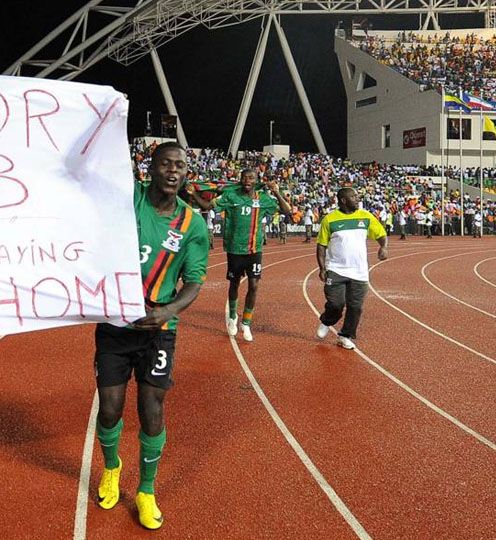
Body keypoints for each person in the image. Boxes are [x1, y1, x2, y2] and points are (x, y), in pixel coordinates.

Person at [94, 142, 208, 530]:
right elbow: (100, 175)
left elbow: (193, 282)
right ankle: (112, 467)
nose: (173, 171)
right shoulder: (131, 198)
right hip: (114, 324)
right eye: (166, 164)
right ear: (150, 168)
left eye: (180, 166)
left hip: (159, 331)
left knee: (151, 409)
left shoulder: (192, 224)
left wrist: (167, 310)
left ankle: (145, 490)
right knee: (109, 407)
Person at [191, 168, 292, 342]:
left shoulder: (263, 199)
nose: (247, 180)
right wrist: (193, 194)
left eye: (251, 178)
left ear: (256, 180)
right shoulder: (230, 196)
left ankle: (246, 322)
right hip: (234, 249)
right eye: (244, 178)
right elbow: (207, 206)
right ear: (240, 179)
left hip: (254, 249)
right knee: (234, 284)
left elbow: (286, 210)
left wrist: (276, 191)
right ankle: (232, 317)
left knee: (254, 285)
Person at [314, 187, 388, 350]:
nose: (357, 198)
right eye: (354, 196)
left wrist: (383, 247)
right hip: (336, 269)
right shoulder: (329, 219)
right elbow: (321, 245)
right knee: (335, 304)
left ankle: (345, 335)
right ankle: (327, 321)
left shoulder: (366, 216)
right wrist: (322, 268)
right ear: (343, 200)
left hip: (360, 271)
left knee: (356, 307)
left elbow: (381, 234)